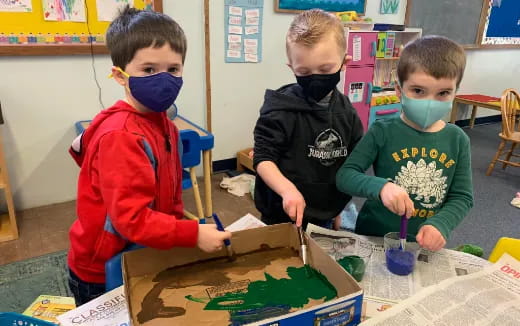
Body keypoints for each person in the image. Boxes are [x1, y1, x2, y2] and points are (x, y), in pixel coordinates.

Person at [67, 6, 231, 305]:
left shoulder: (164, 124)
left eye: (173, 69)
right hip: (103, 268)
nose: (164, 80)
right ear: (119, 75)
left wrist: (180, 227)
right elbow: (130, 218)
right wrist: (191, 234)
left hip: (141, 250)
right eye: (148, 70)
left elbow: (168, 191)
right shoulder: (122, 136)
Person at [337, 36, 473, 251]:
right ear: (399, 90)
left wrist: (441, 224)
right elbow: (345, 176)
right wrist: (381, 187)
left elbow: (462, 197)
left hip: (422, 243)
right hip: (373, 234)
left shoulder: (457, 139)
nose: (429, 102)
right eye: (418, 91)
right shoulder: (382, 131)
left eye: (443, 93)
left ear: (455, 91)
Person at [253, 9, 363, 229]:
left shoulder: (347, 113)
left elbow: (351, 165)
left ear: (344, 62)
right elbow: (263, 160)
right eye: (304, 71)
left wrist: (337, 209)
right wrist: (287, 190)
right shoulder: (279, 110)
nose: (315, 78)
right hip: (280, 211)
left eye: (325, 69)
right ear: (291, 67)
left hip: (325, 212)